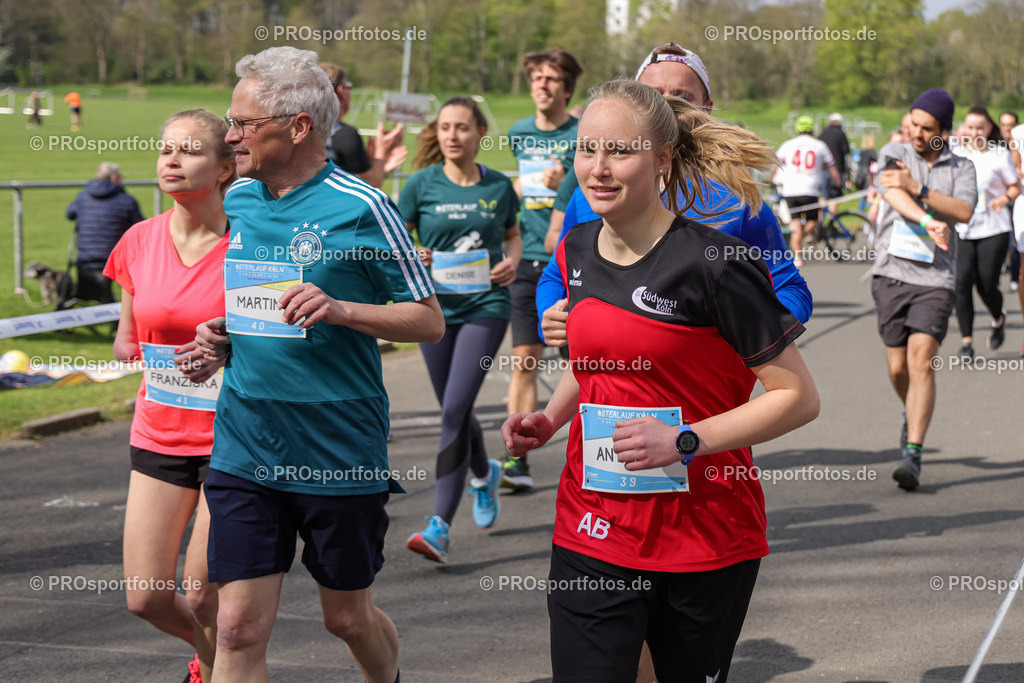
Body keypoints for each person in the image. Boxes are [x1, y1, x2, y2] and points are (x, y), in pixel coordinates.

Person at [502, 79, 819, 683]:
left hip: (702, 535)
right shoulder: (576, 249)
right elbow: (596, 363)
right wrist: (549, 418)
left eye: (618, 151)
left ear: (663, 159)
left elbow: (797, 398)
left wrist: (683, 441)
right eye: (587, 148)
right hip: (591, 524)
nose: (597, 169)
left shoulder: (717, 266)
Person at [193, 46, 444, 682]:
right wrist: (224, 336)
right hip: (245, 439)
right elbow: (260, 304)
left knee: (345, 618)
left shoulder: (364, 206)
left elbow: (428, 321)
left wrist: (341, 310)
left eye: (244, 125)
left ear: (299, 127)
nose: (231, 136)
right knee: (235, 625)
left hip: (336, 444)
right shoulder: (240, 198)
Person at [537, 42, 812, 353]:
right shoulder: (590, 197)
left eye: (682, 97)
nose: (665, 106)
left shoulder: (736, 204)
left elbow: (790, 289)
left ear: (706, 108)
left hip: (703, 394)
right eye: (653, 95)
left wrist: (738, 340)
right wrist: (550, 315)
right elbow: (555, 275)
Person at [104, 108, 236, 683]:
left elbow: (285, 339)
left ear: (227, 167)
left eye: (189, 150)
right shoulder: (137, 241)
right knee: (147, 598)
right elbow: (126, 341)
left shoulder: (250, 248)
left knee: (204, 595)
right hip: (159, 434)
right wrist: (141, 350)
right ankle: (221, 660)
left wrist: (228, 348)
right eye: (165, 150)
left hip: (234, 440)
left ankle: (222, 669)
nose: (171, 160)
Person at [398, 97, 522, 562]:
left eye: (462, 128)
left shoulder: (498, 187)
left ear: (479, 134)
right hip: (432, 311)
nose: (452, 135)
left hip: (486, 306)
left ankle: (439, 526)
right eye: (445, 127)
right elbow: (396, 236)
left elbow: (512, 233)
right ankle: (484, 472)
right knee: (457, 407)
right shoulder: (420, 185)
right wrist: (417, 254)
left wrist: (510, 261)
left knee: (453, 409)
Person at [873, 88, 977, 490]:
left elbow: (964, 211)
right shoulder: (893, 151)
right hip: (891, 273)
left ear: (944, 132)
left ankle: (912, 453)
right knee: (899, 369)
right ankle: (912, 414)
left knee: (921, 360)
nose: (917, 132)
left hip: (935, 278)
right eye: (913, 123)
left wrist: (919, 189)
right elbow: (891, 191)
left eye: (927, 127)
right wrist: (928, 218)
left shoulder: (962, 167)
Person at [504, 47, 583, 491]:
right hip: (528, 257)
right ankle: (517, 459)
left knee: (580, 363)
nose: (542, 85)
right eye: (536, 78)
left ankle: (590, 453)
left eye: (551, 79)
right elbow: (520, 185)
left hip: (570, 261)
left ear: (566, 89)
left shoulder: (581, 133)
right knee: (523, 361)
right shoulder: (517, 133)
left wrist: (565, 184)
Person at [952, 106, 1019, 358]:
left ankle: (997, 317)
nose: (974, 132)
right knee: (961, 282)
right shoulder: (955, 155)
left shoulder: (999, 155)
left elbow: (1015, 187)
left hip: (993, 227)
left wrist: (1004, 198)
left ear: (988, 128)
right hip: (963, 228)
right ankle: (967, 342)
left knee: (987, 283)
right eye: (969, 127)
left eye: (979, 127)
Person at [65, 162, 144, 305]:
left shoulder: (83, 197)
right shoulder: (126, 200)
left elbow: (69, 214)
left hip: (84, 257)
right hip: (114, 259)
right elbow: (140, 227)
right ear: (114, 178)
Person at [320, 62, 407, 189]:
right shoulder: (344, 135)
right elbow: (367, 187)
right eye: (349, 86)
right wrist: (381, 151)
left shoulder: (302, 128)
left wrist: (379, 166)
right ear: (341, 91)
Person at [772, 116, 841, 267]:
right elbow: (832, 167)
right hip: (810, 189)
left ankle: (797, 254)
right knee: (813, 221)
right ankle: (799, 241)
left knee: (795, 221)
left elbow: (776, 164)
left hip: (791, 189)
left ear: (797, 130)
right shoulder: (820, 145)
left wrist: (771, 180)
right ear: (812, 130)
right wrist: (838, 183)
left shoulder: (788, 145)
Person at [1000, 112, 1022, 292]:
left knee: (1015, 241)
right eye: (1004, 124)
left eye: (1011, 124)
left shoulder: (1019, 139)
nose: (1008, 128)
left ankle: (1016, 275)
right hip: (999, 200)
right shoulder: (993, 145)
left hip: (1017, 197)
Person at [819, 112, 851, 201]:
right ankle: (833, 215)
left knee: (823, 196)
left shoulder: (823, 133)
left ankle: (821, 215)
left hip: (823, 169)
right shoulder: (841, 134)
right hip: (837, 169)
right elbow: (846, 153)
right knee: (834, 197)